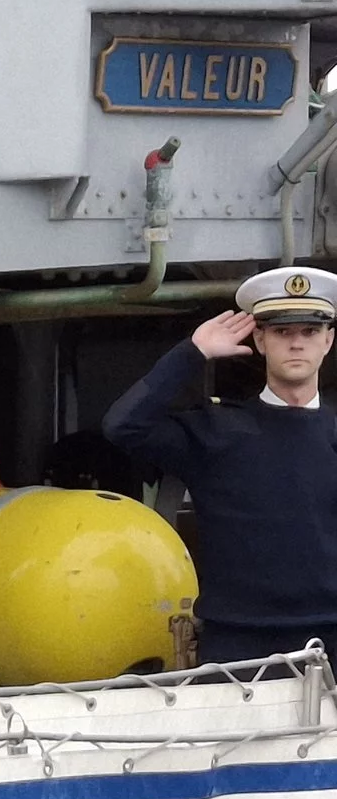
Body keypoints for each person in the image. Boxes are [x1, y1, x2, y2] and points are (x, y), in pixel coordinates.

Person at [102, 265, 337, 666]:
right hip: (238, 645)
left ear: (328, 340)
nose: (296, 344)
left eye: (310, 332)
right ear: (259, 339)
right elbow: (123, 426)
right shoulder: (216, 431)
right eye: (282, 332)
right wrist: (192, 353)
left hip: (330, 639)